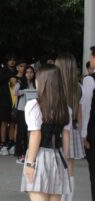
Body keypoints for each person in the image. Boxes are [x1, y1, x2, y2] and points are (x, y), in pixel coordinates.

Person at [21, 64, 71, 201]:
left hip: (40, 156)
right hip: (58, 156)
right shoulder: (65, 107)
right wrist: (65, 159)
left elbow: (36, 134)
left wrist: (30, 163)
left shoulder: (34, 105)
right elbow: (66, 134)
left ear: (44, 82)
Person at [55, 53, 85, 201]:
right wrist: (81, 132)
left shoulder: (56, 86)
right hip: (72, 129)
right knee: (70, 168)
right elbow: (80, 114)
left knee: (58, 167)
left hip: (58, 129)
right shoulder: (78, 87)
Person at [81, 46, 95, 201]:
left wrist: (83, 134)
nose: (90, 59)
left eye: (92, 56)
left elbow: (86, 109)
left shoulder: (90, 80)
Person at [14, 66, 36, 164]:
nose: (29, 74)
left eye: (31, 72)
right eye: (27, 72)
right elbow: (15, 92)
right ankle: (20, 154)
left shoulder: (35, 83)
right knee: (21, 132)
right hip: (22, 110)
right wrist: (25, 91)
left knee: (31, 132)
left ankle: (30, 152)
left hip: (33, 110)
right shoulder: (20, 83)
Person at [0, 53, 17, 156]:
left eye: (14, 59)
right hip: (4, 100)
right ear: (7, 61)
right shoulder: (2, 71)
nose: (12, 61)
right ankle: (3, 144)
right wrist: (11, 76)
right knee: (4, 122)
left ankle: (11, 143)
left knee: (13, 122)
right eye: (10, 59)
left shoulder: (17, 71)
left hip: (14, 100)